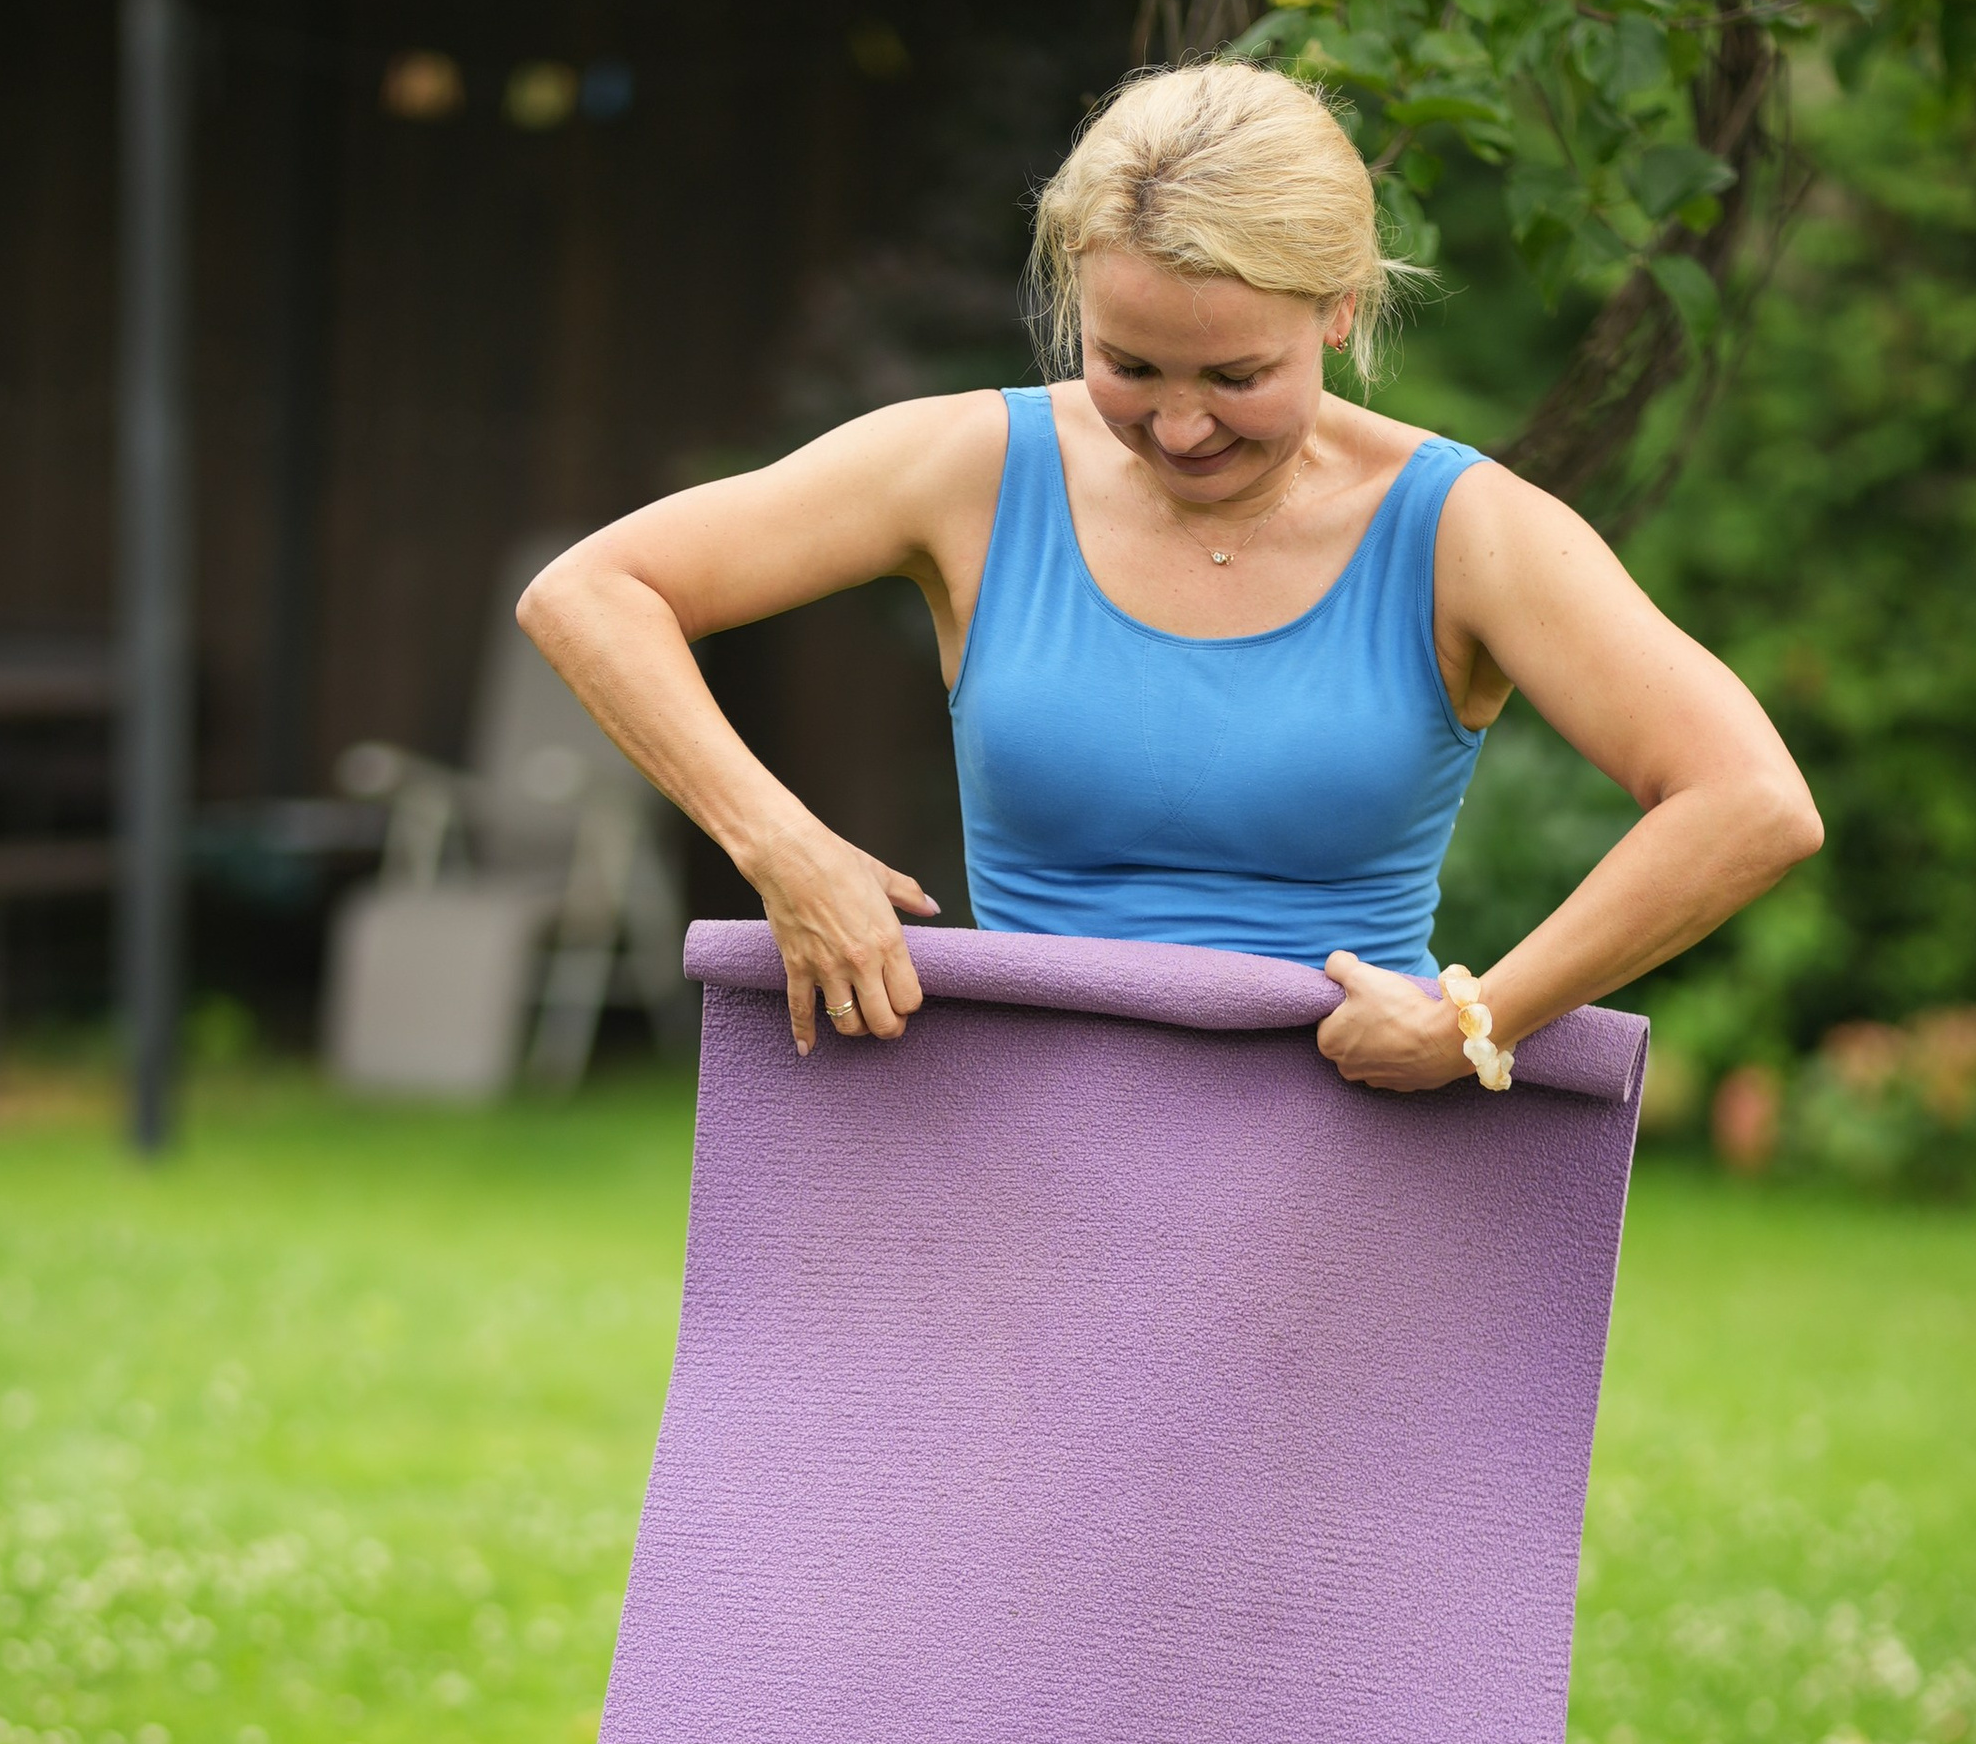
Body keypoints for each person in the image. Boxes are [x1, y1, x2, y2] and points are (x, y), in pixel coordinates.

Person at [518, 59, 1821, 1080]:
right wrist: (786, 850)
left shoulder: (1464, 530)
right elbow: (592, 592)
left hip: (1344, 1156)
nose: (1183, 426)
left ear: (1339, 313)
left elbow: (1749, 800)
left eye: (1238, 376)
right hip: (1011, 1147)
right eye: (1131, 367)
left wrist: (1478, 1020)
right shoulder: (967, 470)